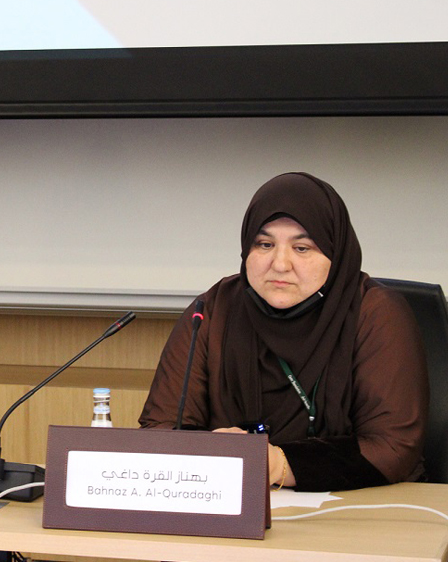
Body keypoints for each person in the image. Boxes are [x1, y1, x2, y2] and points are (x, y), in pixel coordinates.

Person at [139, 172, 428, 491]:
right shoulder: (214, 310)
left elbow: (392, 447)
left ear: (335, 254)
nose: (279, 264)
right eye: (264, 244)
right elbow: (161, 428)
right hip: (231, 504)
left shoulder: (375, 314)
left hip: (360, 511)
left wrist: (276, 464)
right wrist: (211, 455)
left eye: (302, 248)